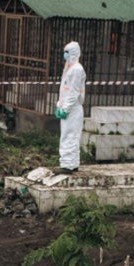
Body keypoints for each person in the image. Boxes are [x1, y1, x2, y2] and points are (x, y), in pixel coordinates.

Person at [55, 40, 86, 172]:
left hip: (73, 108)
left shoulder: (77, 69)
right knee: (69, 135)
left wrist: (66, 109)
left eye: (67, 52)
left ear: (73, 53)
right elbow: (64, 90)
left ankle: (68, 165)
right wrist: (59, 105)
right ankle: (72, 163)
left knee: (70, 136)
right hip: (68, 107)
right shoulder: (69, 68)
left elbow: (74, 92)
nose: (65, 55)